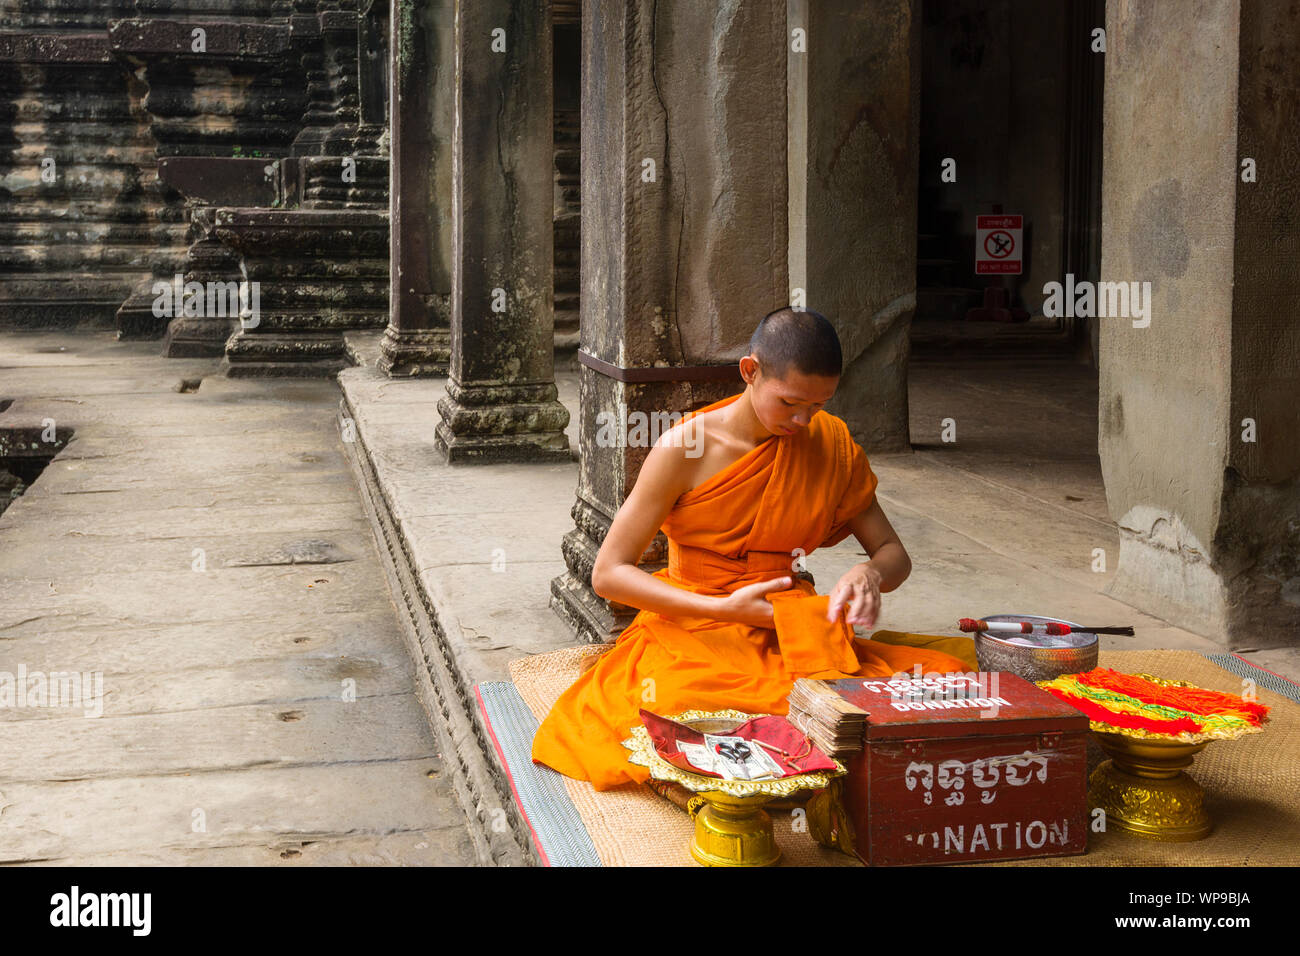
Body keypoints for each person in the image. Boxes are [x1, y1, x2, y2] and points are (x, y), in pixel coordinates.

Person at [530, 307, 972, 790]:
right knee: (676, 705)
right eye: (789, 402)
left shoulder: (831, 442)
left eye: (818, 405)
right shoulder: (685, 448)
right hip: (697, 620)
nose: (803, 420)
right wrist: (724, 607)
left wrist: (868, 574)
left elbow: (893, 553)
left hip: (789, 623)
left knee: (927, 685)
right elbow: (609, 574)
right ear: (750, 371)